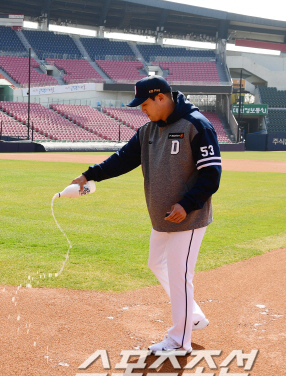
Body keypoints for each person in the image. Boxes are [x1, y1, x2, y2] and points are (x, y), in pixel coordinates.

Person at [69, 76, 221, 354]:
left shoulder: (197, 125)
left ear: (161, 97)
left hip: (187, 218)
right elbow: (122, 159)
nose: (142, 109)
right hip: (161, 217)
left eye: (145, 103)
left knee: (179, 275)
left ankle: (179, 341)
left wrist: (186, 205)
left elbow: (212, 176)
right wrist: (88, 175)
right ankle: (192, 315)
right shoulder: (148, 130)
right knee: (157, 263)